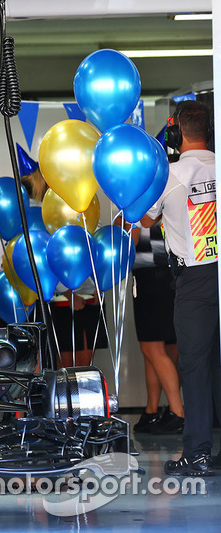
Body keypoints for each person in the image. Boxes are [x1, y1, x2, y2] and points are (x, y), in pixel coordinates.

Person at [141, 100, 218, 476]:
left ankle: (198, 452)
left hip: (196, 281)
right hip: (216, 273)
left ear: (176, 134)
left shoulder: (170, 175)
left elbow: (144, 217)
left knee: (195, 366)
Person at [126, 223, 183, 434]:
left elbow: (130, 240)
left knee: (152, 349)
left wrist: (124, 222)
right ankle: (152, 411)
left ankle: (177, 413)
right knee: (161, 349)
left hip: (150, 276)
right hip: (172, 274)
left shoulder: (140, 201)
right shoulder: (164, 192)